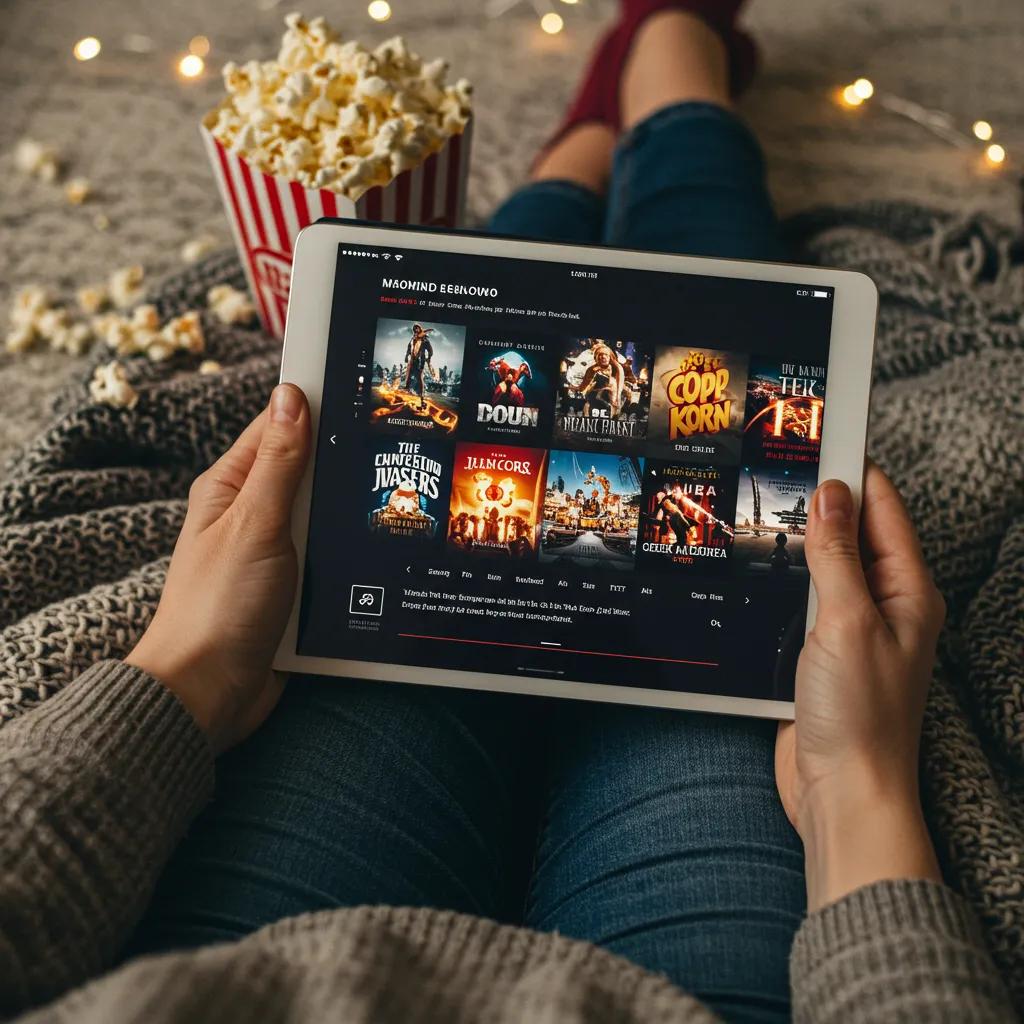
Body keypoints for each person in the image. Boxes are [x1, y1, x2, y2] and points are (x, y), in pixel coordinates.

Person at [0, 2, 1015, 1023]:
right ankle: (670, 72)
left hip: (258, 971)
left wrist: (187, 670)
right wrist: (856, 798)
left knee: (502, 297)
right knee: (711, 316)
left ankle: (584, 149)